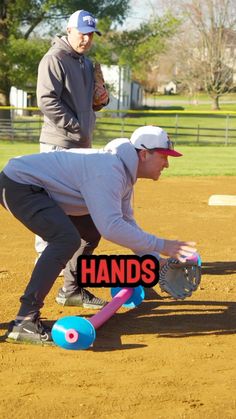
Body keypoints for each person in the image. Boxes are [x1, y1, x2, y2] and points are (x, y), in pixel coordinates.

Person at [0, 125, 197, 345]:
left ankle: (71, 290)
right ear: (144, 154)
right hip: (21, 185)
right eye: (163, 156)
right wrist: (163, 244)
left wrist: (155, 260)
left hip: (38, 186)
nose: (167, 164)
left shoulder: (123, 172)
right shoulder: (109, 171)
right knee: (65, 239)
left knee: (90, 229)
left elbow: (125, 221)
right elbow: (111, 227)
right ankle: (24, 320)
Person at [36, 9, 109, 309]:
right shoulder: (54, 59)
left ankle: (70, 283)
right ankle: (46, 267)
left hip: (80, 148)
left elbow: (93, 103)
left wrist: (101, 98)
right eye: (82, 32)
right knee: (56, 212)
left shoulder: (86, 62)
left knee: (83, 215)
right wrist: (77, 126)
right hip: (58, 147)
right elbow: (46, 100)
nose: (86, 38)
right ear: (69, 30)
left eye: (91, 33)